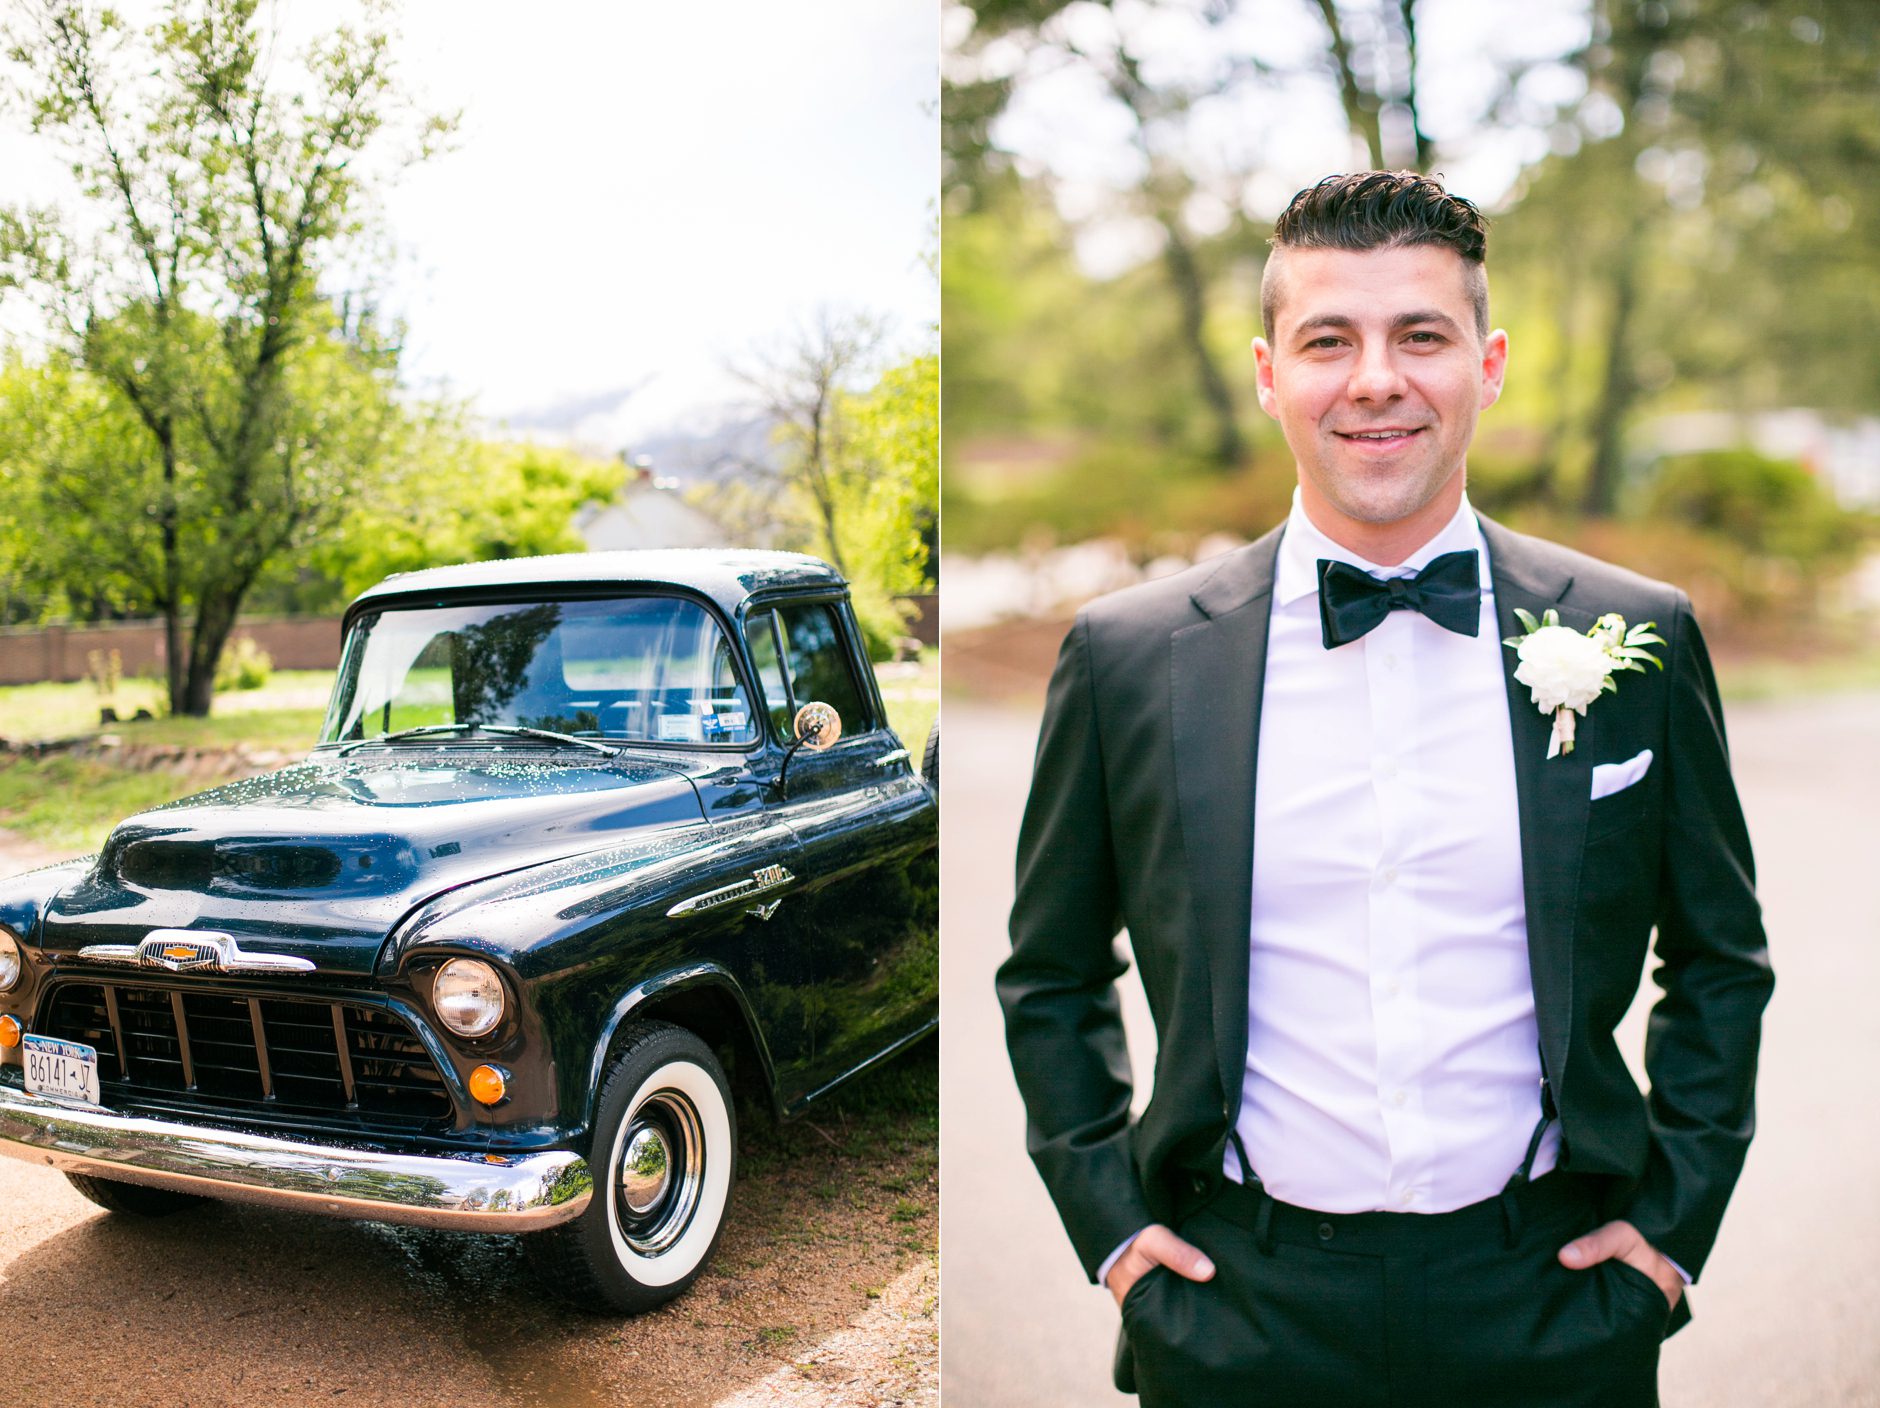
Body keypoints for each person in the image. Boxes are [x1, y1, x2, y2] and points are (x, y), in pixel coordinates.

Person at [997, 171, 1772, 1408]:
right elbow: (1050, 969)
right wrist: (1112, 1231)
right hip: (1232, 1310)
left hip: (1554, 1304)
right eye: (1326, 340)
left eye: (1419, 334)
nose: (1373, 379)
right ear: (1267, 373)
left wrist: (1669, 1237)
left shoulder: (1639, 637)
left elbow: (1718, 958)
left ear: (1488, 361)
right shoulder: (1128, 657)